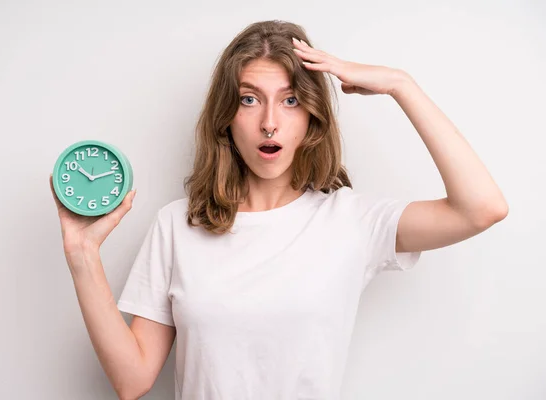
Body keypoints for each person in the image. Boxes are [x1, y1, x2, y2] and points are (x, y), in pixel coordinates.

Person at [49, 20, 508, 400]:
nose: (270, 121)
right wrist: (82, 255)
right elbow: (132, 381)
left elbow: (481, 208)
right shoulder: (177, 224)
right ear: (226, 117)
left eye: (290, 100)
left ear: (311, 115)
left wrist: (401, 85)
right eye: (250, 99)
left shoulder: (351, 221)